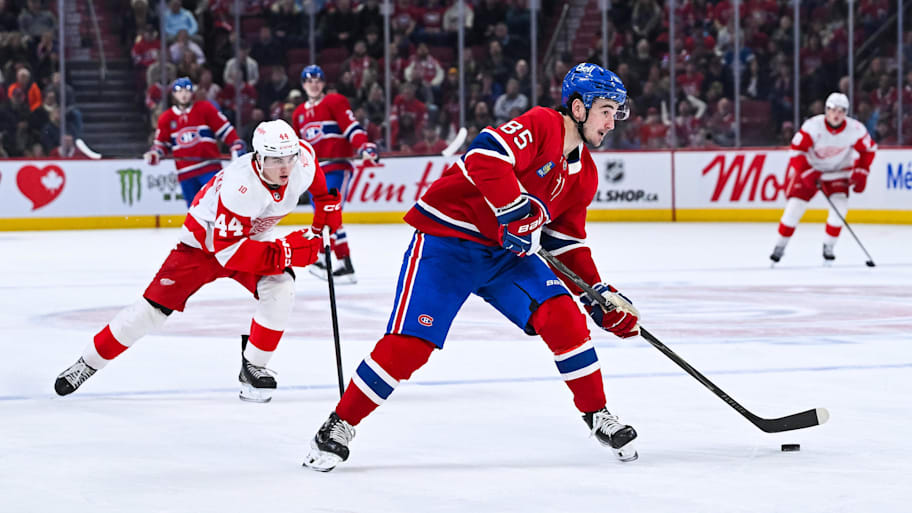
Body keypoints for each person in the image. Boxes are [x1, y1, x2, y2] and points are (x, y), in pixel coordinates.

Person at [302, 63, 641, 472]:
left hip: (505, 256)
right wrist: (512, 210)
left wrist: (596, 294)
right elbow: (483, 155)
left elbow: (564, 243)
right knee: (411, 345)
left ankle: (597, 414)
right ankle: (338, 424)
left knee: (564, 317)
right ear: (578, 107)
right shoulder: (542, 125)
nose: (611, 121)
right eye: (606, 109)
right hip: (450, 243)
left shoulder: (583, 174)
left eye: (616, 112)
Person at [54, 120, 343, 403]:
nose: (285, 168)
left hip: (249, 241)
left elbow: (319, 186)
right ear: (258, 157)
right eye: (275, 160)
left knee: (281, 287)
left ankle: (253, 366)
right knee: (150, 313)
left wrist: (326, 213)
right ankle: (88, 362)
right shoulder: (241, 186)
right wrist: (287, 252)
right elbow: (228, 252)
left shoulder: (301, 160)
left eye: (289, 157)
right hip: (201, 247)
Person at [292, 65, 380, 284]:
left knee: (329, 214)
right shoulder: (298, 114)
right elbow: (297, 148)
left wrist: (364, 147)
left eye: (317, 80)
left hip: (336, 167)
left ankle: (323, 257)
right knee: (329, 218)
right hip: (314, 174)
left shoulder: (335, 101)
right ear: (303, 85)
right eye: (309, 80)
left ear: (323, 83)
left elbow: (352, 127)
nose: (313, 84)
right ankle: (344, 264)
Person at [770, 92, 877, 264]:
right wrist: (806, 171)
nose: (837, 114)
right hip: (811, 169)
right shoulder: (813, 126)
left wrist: (861, 172)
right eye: (833, 110)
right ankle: (780, 246)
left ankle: (829, 246)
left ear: (846, 112)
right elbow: (796, 151)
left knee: (840, 207)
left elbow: (868, 150)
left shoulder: (855, 129)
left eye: (841, 111)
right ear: (826, 110)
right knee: (794, 208)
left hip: (838, 171)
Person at [143, 77, 247, 207]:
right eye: (179, 91)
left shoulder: (205, 109)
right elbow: (161, 145)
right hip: (186, 173)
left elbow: (225, 130)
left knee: (217, 207)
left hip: (209, 167)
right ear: (174, 94)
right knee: (195, 212)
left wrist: (235, 144)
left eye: (187, 90)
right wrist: (155, 154)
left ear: (192, 92)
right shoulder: (166, 118)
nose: (184, 94)